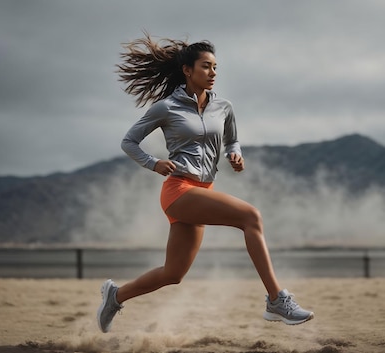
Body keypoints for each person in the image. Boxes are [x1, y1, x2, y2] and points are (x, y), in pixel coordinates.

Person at [96, 32, 314, 333]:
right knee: (251, 217)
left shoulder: (223, 107)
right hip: (179, 190)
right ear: (188, 70)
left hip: (202, 191)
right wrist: (154, 163)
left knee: (173, 273)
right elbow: (129, 141)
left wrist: (235, 155)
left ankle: (115, 296)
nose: (213, 73)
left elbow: (232, 140)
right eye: (206, 67)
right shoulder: (166, 108)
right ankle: (277, 300)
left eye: (215, 68)